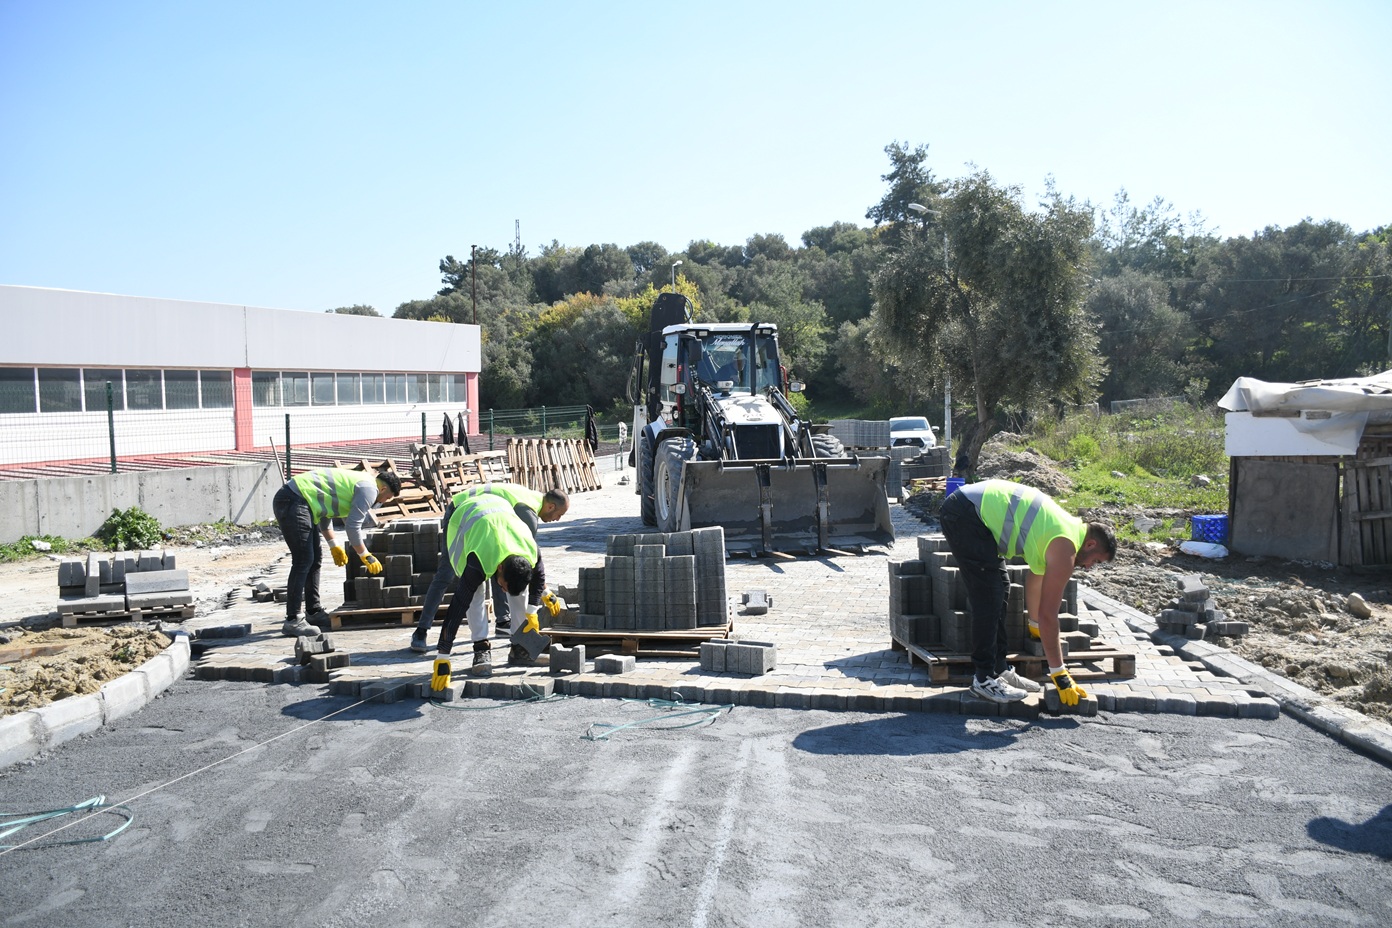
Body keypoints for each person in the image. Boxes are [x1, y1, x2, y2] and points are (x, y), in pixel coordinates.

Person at [937, 479, 1116, 704]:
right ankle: (983, 679)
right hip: (966, 514)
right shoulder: (1066, 548)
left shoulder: (1064, 530)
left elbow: (1035, 579)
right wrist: (1059, 674)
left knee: (1000, 587)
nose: (1090, 567)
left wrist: (1034, 624)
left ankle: (999, 669)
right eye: (1096, 560)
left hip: (967, 510)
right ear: (1090, 544)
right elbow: (1049, 615)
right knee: (989, 595)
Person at [409, 483, 568, 653]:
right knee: (448, 575)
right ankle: (421, 631)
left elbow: (522, 563)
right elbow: (518, 563)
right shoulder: (527, 515)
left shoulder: (531, 505)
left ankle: (503, 622)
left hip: (487, 516)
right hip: (461, 512)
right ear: (551, 506)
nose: (557, 519)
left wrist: (536, 603)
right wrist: (443, 654)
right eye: (559, 514)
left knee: (503, 566)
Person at [428, 492, 549, 692]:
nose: (501, 590)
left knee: (519, 594)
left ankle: (519, 647)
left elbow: (539, 578)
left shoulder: (530, 550)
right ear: (500, 568)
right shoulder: (478, 559)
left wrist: (532, 611)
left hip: (500, 515)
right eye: (503, 585)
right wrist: (443, 656)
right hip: (463, 523)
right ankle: (481, 647)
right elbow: (457, 607)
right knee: (474, 594)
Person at [273, 466, 401, 637]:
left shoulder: (361, 483)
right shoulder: (369, 489)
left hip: (300, 501)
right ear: (383, 488)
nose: (384, 501)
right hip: (293, 500)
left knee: (314, 558)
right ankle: (293, 620)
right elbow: (353, 526)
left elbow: (325, 512)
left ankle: (313, 611)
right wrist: (365, 555)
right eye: (387, 498)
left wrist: (333, 545)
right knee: (303, 560)